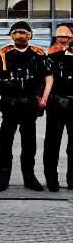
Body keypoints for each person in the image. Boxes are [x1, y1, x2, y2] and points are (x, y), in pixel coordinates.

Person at [0, 21, 53, 192]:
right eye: (16, 32)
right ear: (11, 36)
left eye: (24, 32)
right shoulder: (4, 54)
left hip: (29, 105)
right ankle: (4, 178)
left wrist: (43, 99)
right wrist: (8, 91)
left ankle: (29, 177)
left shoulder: (38, 54)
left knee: (29, 143)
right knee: (5, 142)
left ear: (30, 35)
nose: (20, 35)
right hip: (10, 106)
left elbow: (48, 77)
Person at [43, 24, 73, 192]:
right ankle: (51, 179)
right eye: (61, 37)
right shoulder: (49, 57)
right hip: (56, 105)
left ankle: (72, 179)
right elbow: (43, 81)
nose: (64, 41)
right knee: (52, 143)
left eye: (67, 37)